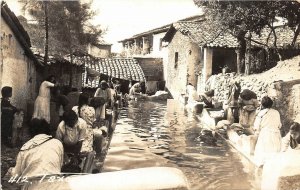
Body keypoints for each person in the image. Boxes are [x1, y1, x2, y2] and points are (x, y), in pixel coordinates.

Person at [10, 118, 63, 187]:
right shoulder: (57, 143)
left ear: (31, 132)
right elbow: (59, 165)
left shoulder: (25, 148)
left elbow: (16, 176)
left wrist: (11, 171)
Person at [253, 96, 282, 166]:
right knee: (274, 153)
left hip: (265, 135)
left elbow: (256, 127)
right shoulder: (276, 112)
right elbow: (279, 125)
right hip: (276, 134)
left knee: (263, 156)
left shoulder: (261, 113)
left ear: (262, 105)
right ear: (271, 104)